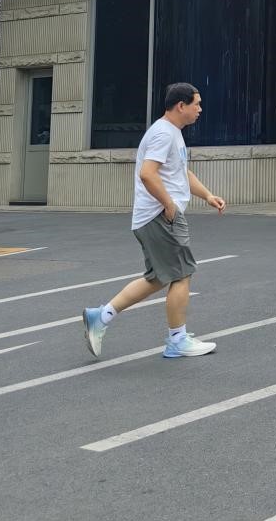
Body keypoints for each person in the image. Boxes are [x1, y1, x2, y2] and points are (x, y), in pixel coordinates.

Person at [81, 83, 226, 360]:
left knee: (158, 277)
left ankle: (101, 316)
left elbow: (181, 172)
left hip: (153, 217)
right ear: (181, 106)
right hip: (160, 217)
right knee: (181, 274)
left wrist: (207, 195)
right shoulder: (163, 133)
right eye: (196, 103)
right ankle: (177, 340)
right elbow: (148, 174)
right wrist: (169, 205)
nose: (200, 109)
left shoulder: (171, 133)